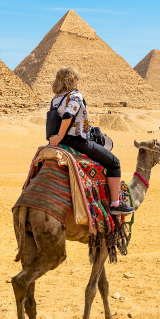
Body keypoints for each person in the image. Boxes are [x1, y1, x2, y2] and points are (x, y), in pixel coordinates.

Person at [47, 66, 133, 215]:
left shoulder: (55, 99)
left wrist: (57, 138)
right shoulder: (75, 96)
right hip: (78, 142)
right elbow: (69, 115)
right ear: (71, 80)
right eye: (76, 79)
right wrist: (61, 136)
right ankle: (115, 204)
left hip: (59, 142)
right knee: (114, 163)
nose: (77, 81)